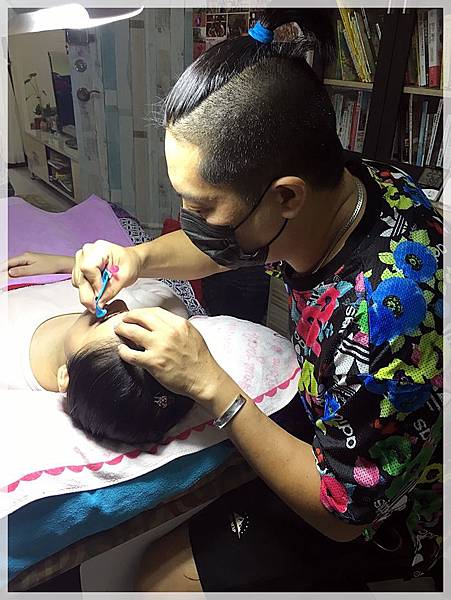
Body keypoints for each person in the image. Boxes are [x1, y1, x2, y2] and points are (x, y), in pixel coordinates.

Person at [70, 8, 443, 592]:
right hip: (334, 410)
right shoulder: (344, 182)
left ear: (286, 197)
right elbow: (230, 245)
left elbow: (343, 515)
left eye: (203, 207)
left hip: (389, 516)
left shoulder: (384, 322)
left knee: (158, 580)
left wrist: (212, 384)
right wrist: (136, 259)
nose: (190, 221)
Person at [6, 252, 193, 445]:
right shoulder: (162, 307)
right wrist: (68, 265)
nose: (119, 303)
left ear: (65, 376)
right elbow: (160, 290)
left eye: (101, 319)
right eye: (132, 315)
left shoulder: (10, 375)